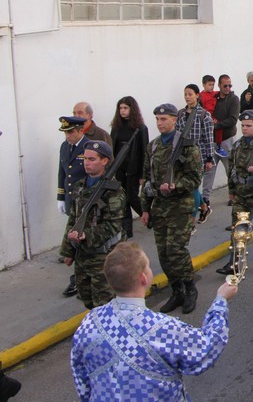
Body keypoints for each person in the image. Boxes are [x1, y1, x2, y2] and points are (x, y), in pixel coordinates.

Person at [71, 242, 237, 401]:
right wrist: (220, 301)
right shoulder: (162, 328)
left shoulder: (90, 322)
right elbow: (207, 347)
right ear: (144, 278)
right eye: (148, 266)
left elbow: (82, 379)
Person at [140, 103, 203, 314]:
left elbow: (194, 178)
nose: (160, 123)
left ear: (175, 120)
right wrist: (145, 209)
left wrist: (177, 185)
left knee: (176, 250)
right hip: (159, 207)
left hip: (180, 206)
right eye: (157, 119)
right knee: (164, 254)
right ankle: (176, 291)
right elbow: (147, 180)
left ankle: (190, 288)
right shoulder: (154, 146)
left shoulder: (187, 146)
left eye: (164, 119)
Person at [59, 140, 125, 309]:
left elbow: (113, 226)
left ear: (104, 161)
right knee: (86, 298)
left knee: (105, 304)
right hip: (83, 255)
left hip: (104, 256)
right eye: (85, 159)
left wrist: (87, 235)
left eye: (92, 159)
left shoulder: (113, 190)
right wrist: (68, 251)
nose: (86, 163)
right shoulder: (80, 186)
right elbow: (74, 219)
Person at [215, 110, 253, 277]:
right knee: (238, 228)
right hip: (241, 195)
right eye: (242, 125)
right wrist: (231, 191)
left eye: (248, 126)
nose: (245, 129)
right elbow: (232, 169)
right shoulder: (238, 145)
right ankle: (234, 261)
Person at [58, 115, 90, 298]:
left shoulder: (89, 147)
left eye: (70, 132)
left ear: (80, 131)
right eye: (65, 133)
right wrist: (61, 196)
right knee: (74, 241)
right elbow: (62, 172)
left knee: (82, 242)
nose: (67, 136)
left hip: (86, 203)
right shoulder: (65, 147)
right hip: (72, 202)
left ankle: (79, 279)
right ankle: (78, 278)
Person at [109, 96, 149, 238]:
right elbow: (111, 148)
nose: (122, 111)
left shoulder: (140, 128)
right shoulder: (116, 127)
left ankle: (149, 217)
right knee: (122, 199)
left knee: (132, 197)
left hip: (134, 168)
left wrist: (143, 175)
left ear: (132, 109)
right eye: (120, 108)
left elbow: (145, 151)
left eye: (125, 108)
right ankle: (127, 230)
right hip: (119, 168)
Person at [178, 84, 216, 227]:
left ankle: (191, 220)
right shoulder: (180, 114)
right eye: (185, 94)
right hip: (182, 157)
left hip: (198, 156)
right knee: (189, 186)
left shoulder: (204, 115)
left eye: (190, 94)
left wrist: (209, 158)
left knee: (193, 186)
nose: (187, 97)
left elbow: (208, 138)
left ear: (197, 95)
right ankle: (204, 207)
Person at [213, 74, 240, 172]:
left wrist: (215, 126)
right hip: (213, 140)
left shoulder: (234, 99)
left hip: (227, 140)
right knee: (209, 171)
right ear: (219, 85)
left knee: (230, 170)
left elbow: (233, 120)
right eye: (225, 86)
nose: (228, 88)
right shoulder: (213, 98)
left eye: (230, 85)